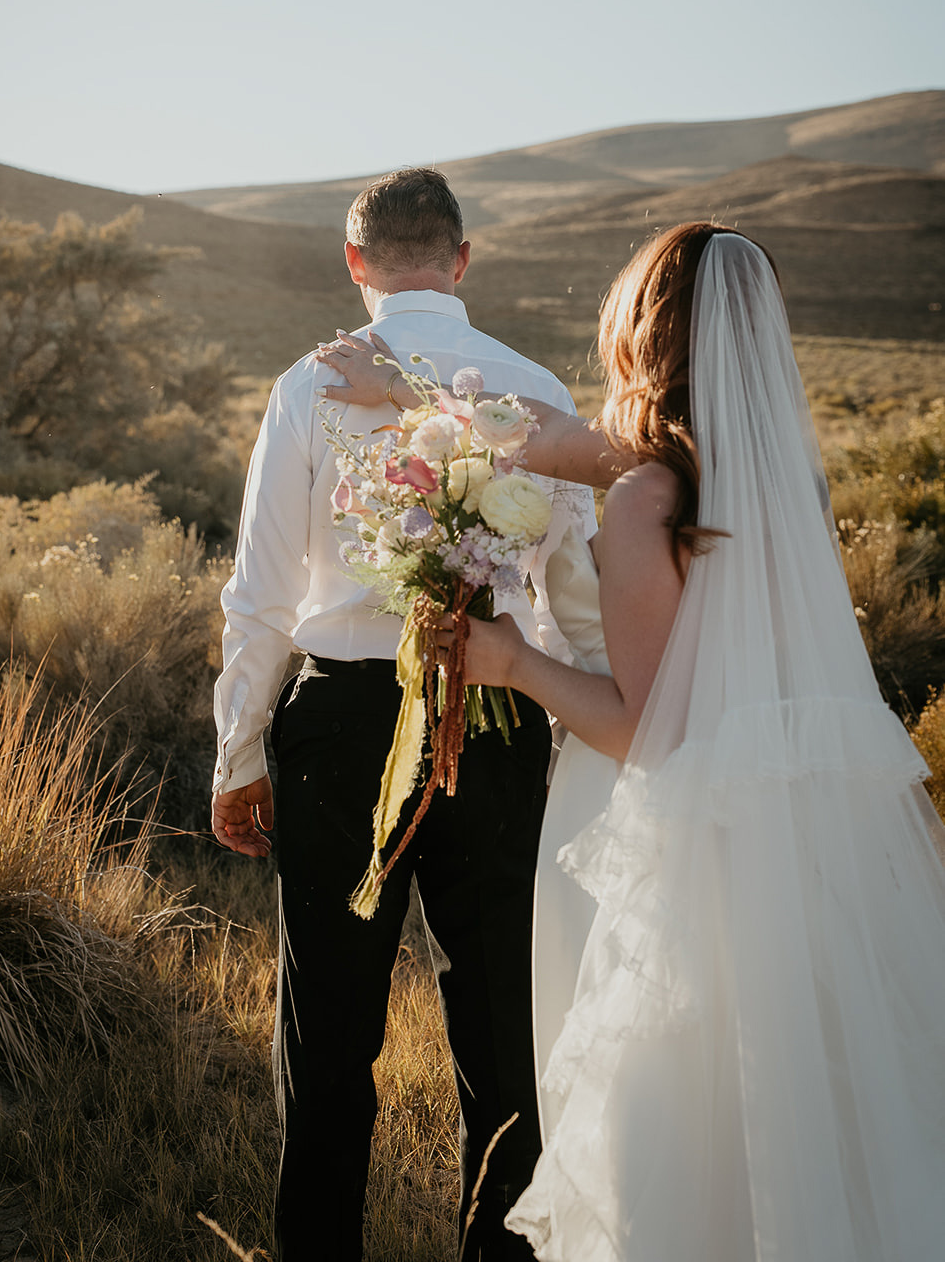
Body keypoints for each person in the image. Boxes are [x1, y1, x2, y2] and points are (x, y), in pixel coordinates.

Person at [327, 221, 945, 1260]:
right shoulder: (768, 484)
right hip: (797, 855)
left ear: (641, 333)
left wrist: (511, 661)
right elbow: (533, 430)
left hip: (682, 859)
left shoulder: (641, 502)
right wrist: (405, 391)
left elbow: (651, 733)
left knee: (682, 1135)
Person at [211, 167, 604, 1262]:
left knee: (326, 1033)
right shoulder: (530, 382)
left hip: (337, 722)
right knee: (499, 1033)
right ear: (462, 258)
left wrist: (235, 751)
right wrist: (573, 715)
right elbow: (574, 593)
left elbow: (256, 591)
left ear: (354, 262)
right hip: (501, 709)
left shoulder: (308, 384)